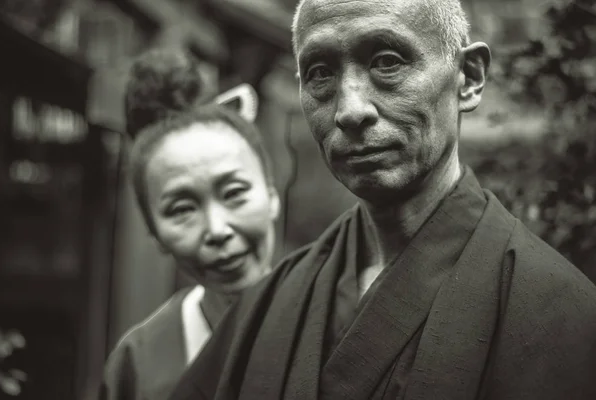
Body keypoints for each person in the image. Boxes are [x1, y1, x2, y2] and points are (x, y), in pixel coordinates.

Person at [168, 0, 596, 399]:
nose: (350, 109)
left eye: (387, 62)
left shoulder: (558, 313)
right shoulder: (269, 307)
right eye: (320, 72)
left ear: (468, 77)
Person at [99, 48, 280, 400]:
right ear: (155, 233)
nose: (217, 230)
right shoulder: (138, 362)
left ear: (271, 195)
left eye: (235, 193)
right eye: (182, 209)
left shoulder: (339, 328)